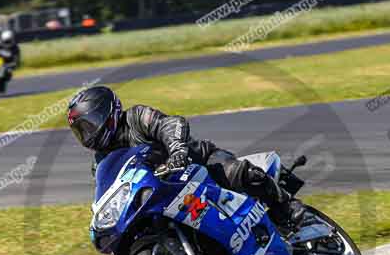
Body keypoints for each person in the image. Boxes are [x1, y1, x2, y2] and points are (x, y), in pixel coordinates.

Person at [67, 86, 305, 229]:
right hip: (163, 192)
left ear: (108, 112)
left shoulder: (136, 117)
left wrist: (177, 150)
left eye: (89, 125)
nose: (88, 134)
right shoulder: (100, 162)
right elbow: (108, 193)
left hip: (197, 163)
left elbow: (170, 124)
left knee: (239, 173)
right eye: (81, 130)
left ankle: (285, 207)